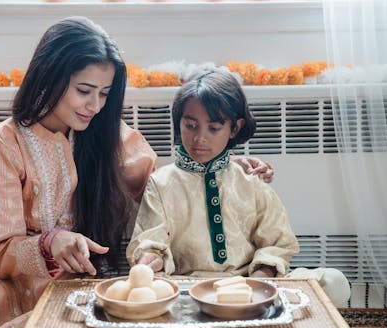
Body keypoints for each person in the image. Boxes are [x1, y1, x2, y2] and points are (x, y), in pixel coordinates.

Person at [0, 17, 274, 328]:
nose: (95, 106)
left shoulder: (106, 132)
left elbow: (163, 190)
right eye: (84, 91)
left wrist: (224, 166)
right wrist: (49, 243)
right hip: (16, 284)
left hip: (93, 277)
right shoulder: (1, 148)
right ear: (49, 75)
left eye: (104, 94)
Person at [126, 68, 350, 306]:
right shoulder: (161, 182)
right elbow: (151, 240)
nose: (200, 138)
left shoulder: (250, 178)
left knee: (333, 282)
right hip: (187, 289)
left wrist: (258, 285)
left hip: (248, 284)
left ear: (234, 128)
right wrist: (149, 262)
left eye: (213, 128)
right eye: (190, 125)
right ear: (178, 120)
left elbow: (276, 242)